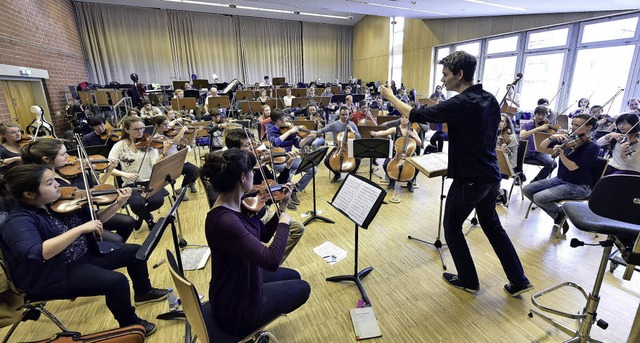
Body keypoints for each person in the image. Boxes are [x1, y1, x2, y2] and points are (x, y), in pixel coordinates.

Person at [381, 50, 532, 297]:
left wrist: (391, 97)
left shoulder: (461, 102)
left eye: (445, 74)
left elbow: (417, 114)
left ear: (460, 74)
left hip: (470, 178)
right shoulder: (490, 99)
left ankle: (468, 279)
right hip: (491, 174)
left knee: (451, 228)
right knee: (492, 225)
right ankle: (519, 279)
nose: (443, 80)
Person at [0, 164, 168, 336]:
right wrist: (79, 229)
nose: (57, 184)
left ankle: (144, 292)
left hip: (83, 255)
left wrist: (119, 203)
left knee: (134, 252)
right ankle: (129, 325)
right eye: (50, 183)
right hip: (55, 273)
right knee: (116, 282)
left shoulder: (56, 204)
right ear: (29, 194)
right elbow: (36, 253)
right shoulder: (18, 221)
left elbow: (95, 222)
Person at [199, 149, 310, 337]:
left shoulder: (236, 206)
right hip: (236, 307)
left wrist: (281, 209)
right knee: (304, 287)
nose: (254, 175)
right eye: (252, 170)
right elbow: (271, 260)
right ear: (243, 178)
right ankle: (253, 329)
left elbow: (265, 235)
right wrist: (284, 223)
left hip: (242, 277)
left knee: (294, 275)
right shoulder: (225, 222)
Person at [20, 137, 135, 242]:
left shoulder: (72, 171)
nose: (68, 157)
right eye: (63, 154)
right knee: (116, 239)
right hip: (72, 221)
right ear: (46, 159)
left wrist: (109, 171)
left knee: (128, 222)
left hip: (86, 212)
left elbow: (94, 188)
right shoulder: (45, 184)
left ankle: (112, 251)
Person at [224, 130, 304, 262]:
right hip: (254, 216)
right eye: (247, 145)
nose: (254, 148)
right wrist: (281, 208)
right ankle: (268, 264)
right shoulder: (239, 175)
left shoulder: (258, 165)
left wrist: (288, 165)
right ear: (235, 152)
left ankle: (274, 263)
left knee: (298, 228)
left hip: (261, 212)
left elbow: (275, 184)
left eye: (252, 144)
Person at [523, 114, 600, 233]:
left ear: (589, 128)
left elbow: (572, 167)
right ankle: (559, 215)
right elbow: (542, 147)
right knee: (527, 189)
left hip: (579, 186)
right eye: (572, 124)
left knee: (539, 197)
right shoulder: (570, 138)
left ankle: (561, 214)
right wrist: (552, 136)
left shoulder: (593, 146)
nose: (573, 127)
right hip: (561, 179)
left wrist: (561, 153)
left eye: (577, 125)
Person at [108, 116, 169, 230]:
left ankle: (141, 216)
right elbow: (109, 168)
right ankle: (150, 220)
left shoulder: (149, 143)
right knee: (136, 204)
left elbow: (155, 163)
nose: (140, 132)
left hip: (150, 181)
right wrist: (124, 174)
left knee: (157, 201)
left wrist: (164, 153)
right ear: (127, 130)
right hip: (130, 184)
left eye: (142, 128)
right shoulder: (119, 146)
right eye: (136, 129)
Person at [266, 110, 316, 208]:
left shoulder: (289, 129)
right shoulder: (270, 130)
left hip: (290, 158)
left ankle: (295, 190)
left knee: (312, 168)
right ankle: (285, 197)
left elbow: (298, 145)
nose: (284, 121)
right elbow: (275, 143)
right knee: (286, 169)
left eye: (284, 118)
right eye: (281, 120)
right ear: (275, 121)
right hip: (277, 160)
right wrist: (289, 132)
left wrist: (308, 137)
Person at [370, 113, 421, 193]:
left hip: (408, 155)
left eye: (406, 118)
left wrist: (413, 136)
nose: (403, 119)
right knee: (385, 164)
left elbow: (419, 143)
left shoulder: (412, 130)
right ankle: (392, 180)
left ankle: (410, 182)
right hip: (396, 154)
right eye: (402, 117)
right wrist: (376, 133)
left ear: (409, 120)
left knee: (417, 167)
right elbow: (384, 132)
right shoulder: (395, 129)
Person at [152, 116, 199, 198]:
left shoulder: (170, 133)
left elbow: (188, 143)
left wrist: (195, 132)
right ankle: (182, 191)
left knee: (198, 170)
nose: (168, 126)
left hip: (178, 160)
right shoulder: (155, 138)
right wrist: (182, 130)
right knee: (192, 170)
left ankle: (189, 185)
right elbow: (174, 141)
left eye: (167, 124)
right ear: (157, 125)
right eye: (165, 124)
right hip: (169, 163)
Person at [313, 106, 361, 181]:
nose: (345, 116)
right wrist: (315, 132)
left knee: (358, 159)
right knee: (327, 161)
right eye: (343, 114)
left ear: (348, 114)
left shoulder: (352, 124)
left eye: (346, 114)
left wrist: (352, 130)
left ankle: (352, 174)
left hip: (350, 147)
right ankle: (337, 174)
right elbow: (323, 130)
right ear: (339, 114)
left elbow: (359, 137)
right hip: (338, 147)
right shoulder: (334, 124)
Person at [519, 106, 558, 183]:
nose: (540, 117)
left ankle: (536, 181)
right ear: (535, 114)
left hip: (540, 152)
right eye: (538, 114)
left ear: (546, 116)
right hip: (527, 150)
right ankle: (520, 176)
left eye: (543, 115)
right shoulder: (526, 125)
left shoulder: (548, 127)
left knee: (553, 163)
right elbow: (522, 135)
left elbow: (554, 139)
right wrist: (537, 129)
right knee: (514, 159)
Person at [496, 114, 518, 205]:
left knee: (487, 174)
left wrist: (503, 149)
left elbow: (511, 155)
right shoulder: (493, 133)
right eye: (497, 120)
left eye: (502, 121)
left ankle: (501, 192)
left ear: (506, 124)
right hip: (495, 162)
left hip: (508, 165)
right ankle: (497, 193)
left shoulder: (511, 137)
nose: (499, 123)